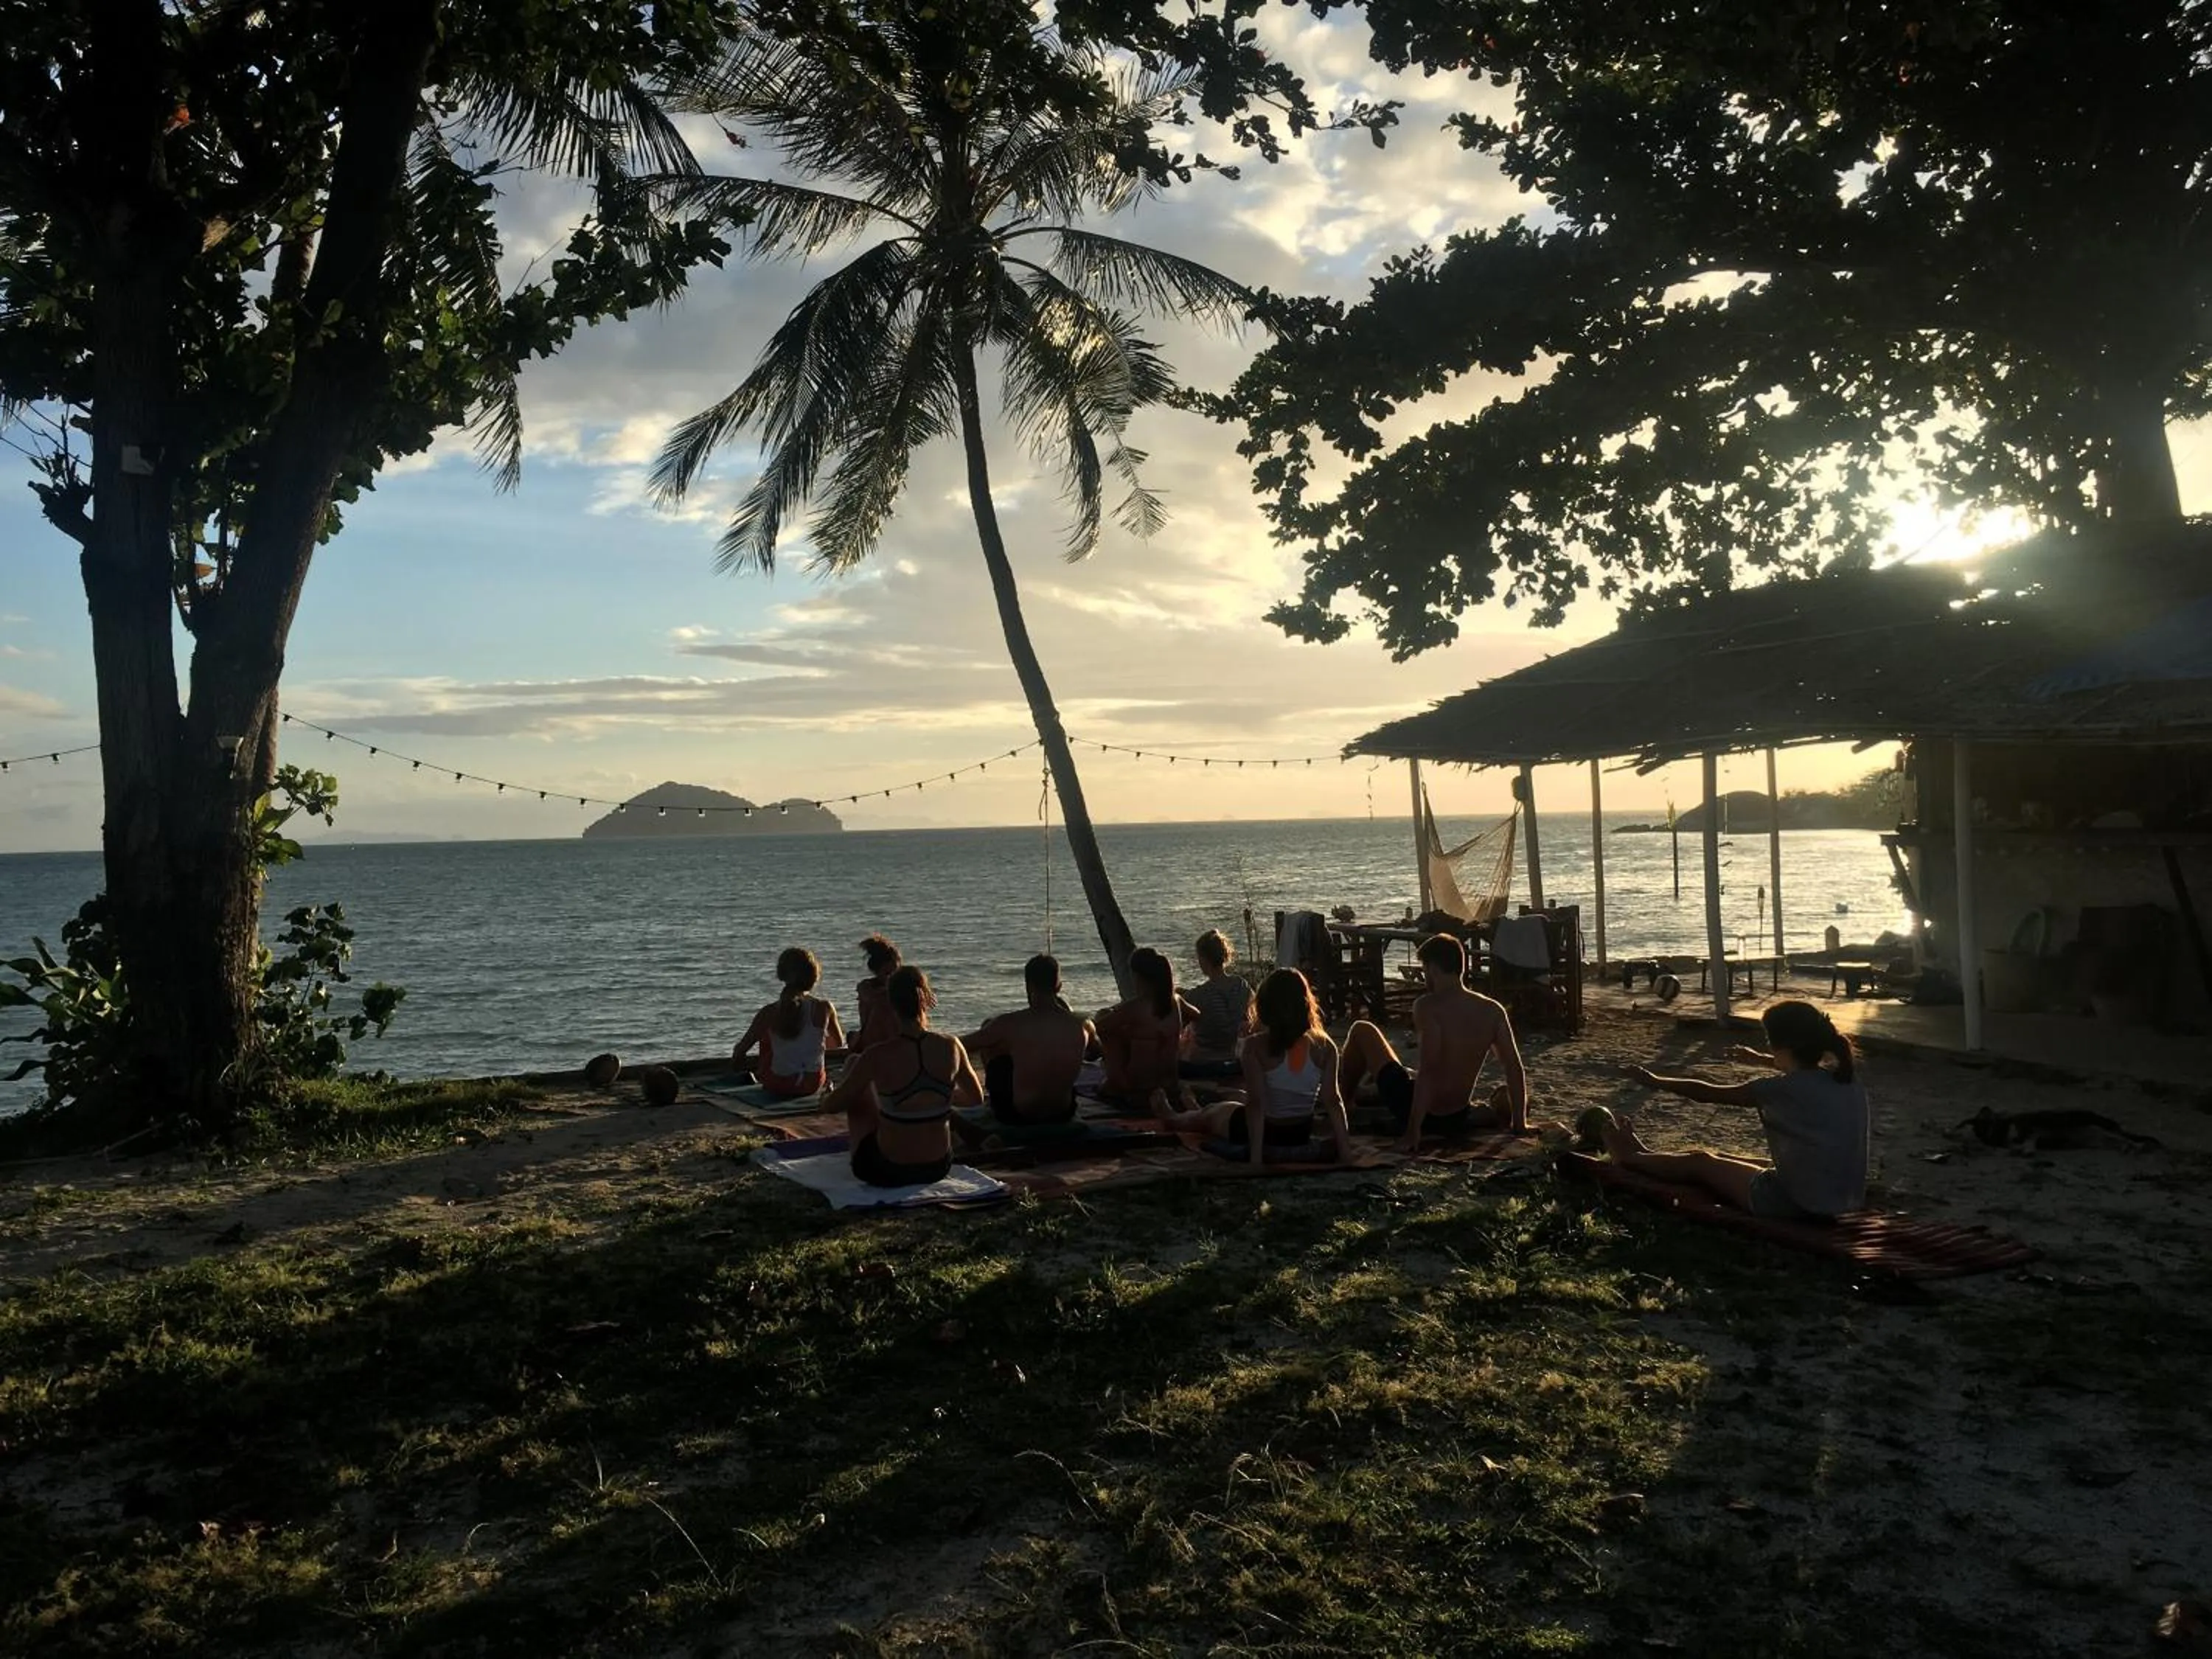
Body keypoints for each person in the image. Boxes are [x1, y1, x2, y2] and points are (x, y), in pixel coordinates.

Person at [1604, 1000, 1869, 1219]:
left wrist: (1656, 1081)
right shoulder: (1844, 1078)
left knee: (1702, 1162)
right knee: (1737, 1160)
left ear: (1783, 1046)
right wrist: (1759, 1060)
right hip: (1845, 1198)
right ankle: (1646, 1156)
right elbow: (1802, 1073)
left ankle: (1629, 1157)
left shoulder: (1778, 1090)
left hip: (1795, 1205)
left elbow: (1708, 1093)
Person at [1338, 933, 1530, 1151]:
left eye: (1425, 969)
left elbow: (1429, 1071)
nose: (1425, 976)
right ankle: (1363, 1095)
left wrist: (1413, 1132)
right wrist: (1519, 1123)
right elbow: (1514, 1068)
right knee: (1409, 1072)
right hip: (1457, 1115)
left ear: (1433, 969)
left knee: (1362, 1030)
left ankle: (1346, 1101)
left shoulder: (1428, 1006)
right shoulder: (1493, 1010)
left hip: (1421, 1112)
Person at [1159, 968, 1351, 1166]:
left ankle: (1173, 1118)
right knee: (1235, 1098)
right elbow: (1334, 1101)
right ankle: (1195, 1108)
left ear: (1266, 1007)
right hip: (1299, 1132)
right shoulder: (1325, 1046)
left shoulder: (1255, 1047)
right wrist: (1346, 1155)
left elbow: (1256, 1105)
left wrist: (1256, 1159)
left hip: (1266, 1131)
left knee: (1212, 1115)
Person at [827, 964, 983, 1187]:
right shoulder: (951, 1046)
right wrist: (930, 1100)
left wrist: (829, 1096)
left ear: (891, 1004)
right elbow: (975, 1098)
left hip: (890, 1169)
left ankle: (859, 1153)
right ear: (927, 999)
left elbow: (834, 1106)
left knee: (854, 1070)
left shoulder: (877, 1055)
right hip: (939, 1166)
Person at [962, 953, 1096, 1126]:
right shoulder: (1083, 1024)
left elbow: (958, 1046)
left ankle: (992, 1103)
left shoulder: (1009, 1024)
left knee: (991, 1037)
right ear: (1059, 986)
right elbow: (1095, 1052)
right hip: (1064, 1111)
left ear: (1028, 985)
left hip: (1019, 1114)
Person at [729, 946, 846, 1098]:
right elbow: (837, 1044)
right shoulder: (825, 1008)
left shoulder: (769, 1012)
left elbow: (740, 1052)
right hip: (813, 1082)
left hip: (779, 1084)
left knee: (767, 1038)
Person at [1094, 947, 1191, 1106]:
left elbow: (1097, 1028)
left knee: (1103, 1016)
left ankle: (1116, 1080)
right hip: (1170, 1084)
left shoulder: (1136, 1007)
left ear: (1138, 977)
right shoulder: (1177, 1001)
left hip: (1138, 1087)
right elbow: (1197, 1014)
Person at [1180, 929, 1255, 1080]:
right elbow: (1251, 1018)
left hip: (1202, 1064)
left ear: (1204, 959)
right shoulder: (1241, 986)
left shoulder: (1196, 996)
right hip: (1233, 1059)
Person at [852, 934, 902, 1056]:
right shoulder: (867, 988)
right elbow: (875, 999)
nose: (891, 978)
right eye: (887, 974)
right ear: (877, 972)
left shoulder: (901, 987)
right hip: (873, 1042)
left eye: (895, 973)